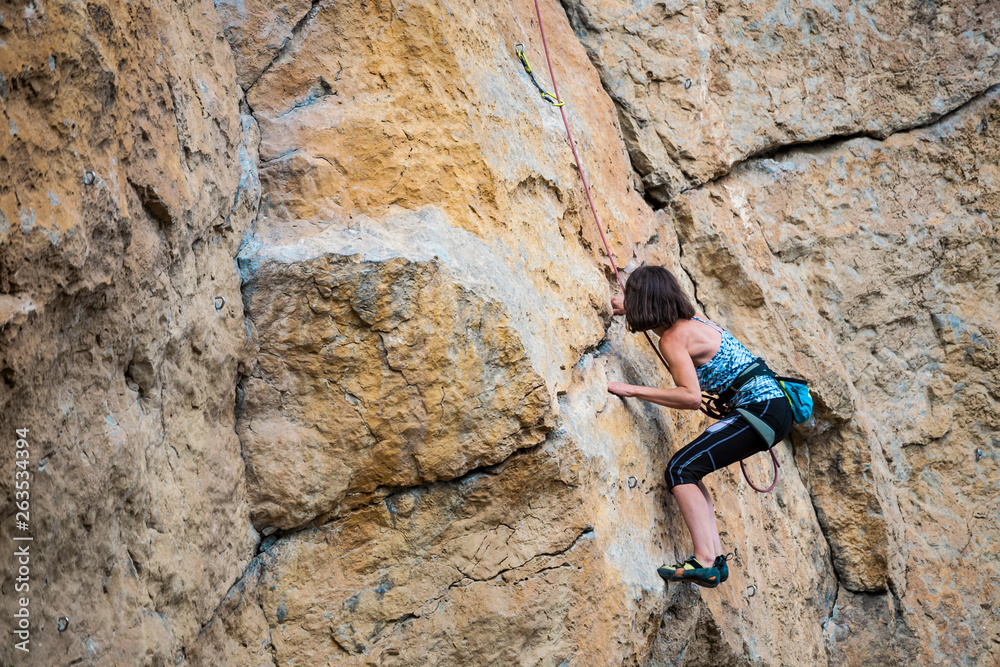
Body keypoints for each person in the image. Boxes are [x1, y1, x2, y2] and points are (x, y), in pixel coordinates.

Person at [607, 265, 792, 588]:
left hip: (758, 410)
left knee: (680, 469)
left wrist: (632, 390)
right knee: (689, 470)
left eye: (633, 299)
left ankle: (704, 559)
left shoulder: (673, 338)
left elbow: (691, 397)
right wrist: (630, 307)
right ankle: (715, 560)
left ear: (645, 302)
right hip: (770, 408)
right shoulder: (693, 323)